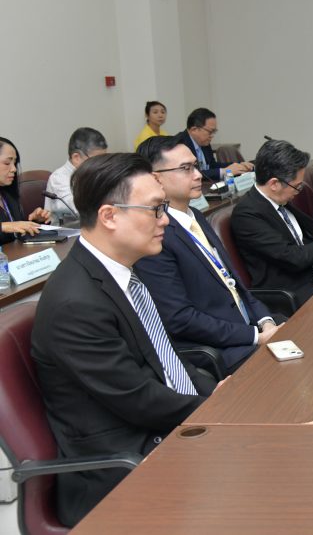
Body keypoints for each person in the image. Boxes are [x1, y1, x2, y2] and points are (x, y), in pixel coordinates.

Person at [31, 153, 215, 527]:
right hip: (121, 466)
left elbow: (165, 358)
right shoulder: (75, 304)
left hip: (156, 429)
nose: (165, 220)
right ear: (109, 216)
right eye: (155, 209)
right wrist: (215, 410)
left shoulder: (120, 271)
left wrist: (217, 394)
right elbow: (138, 399)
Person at [134, 137, 278, 372]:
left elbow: (234, 284)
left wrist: (266, 321)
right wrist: (254, 336)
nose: (198, 175)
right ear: (155, 178)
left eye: (196, 166)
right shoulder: (156, 236)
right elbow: (180, 319)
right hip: (218, 350)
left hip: (247, 327)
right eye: (186, 168)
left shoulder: (196, 216)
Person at [231, 140, 313, 307]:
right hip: (294, 292)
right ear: (274, 184)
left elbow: (304, 239)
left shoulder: (280, 201)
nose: (298, 192)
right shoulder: (247, 214)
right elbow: (292, 257)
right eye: (297, 186)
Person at [44, 127, 108, 222]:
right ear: (76, 158)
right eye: (96, 160)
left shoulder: (96, 173)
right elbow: (77, 208)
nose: (101, 165)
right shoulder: (59, 178)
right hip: (68, 228)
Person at [174, 107, 251, 182]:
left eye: (214, 132)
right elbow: (190, 173)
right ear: (194, 129)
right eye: (210, 132)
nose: (212, 136)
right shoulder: (180, 144)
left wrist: (238, 165)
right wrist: (224, 172)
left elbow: (212, 165)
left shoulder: (204, 142)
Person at [0, 136, 51, 243]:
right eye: (7, 163)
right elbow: (9, 227)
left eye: (15, 163)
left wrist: (34, 221)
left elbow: (16, 232)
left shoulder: (8, 195)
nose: (14, 169)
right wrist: (3, 226)